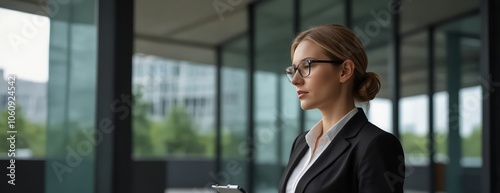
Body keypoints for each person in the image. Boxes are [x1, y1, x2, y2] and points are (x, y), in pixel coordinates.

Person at [278, 24, 405, 193]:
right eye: (294, 70)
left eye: (307, 65)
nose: (295, 80)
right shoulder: (301, 143)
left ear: (344, 71)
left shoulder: (375, 144)